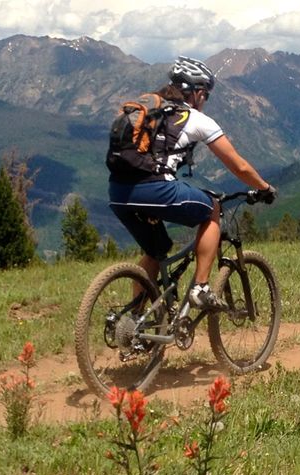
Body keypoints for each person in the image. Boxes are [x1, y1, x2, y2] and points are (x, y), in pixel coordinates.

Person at [108, 55, 276, 310]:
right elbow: (238, 165)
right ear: (196, 92)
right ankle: (200, 287)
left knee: (157, 250)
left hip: (118, 192)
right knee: (211, 209)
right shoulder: (195, 119)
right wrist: (264, 187)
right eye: (205, 95)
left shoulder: (151, 111)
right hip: (156, 189)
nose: (205, 100)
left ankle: (135, 322)